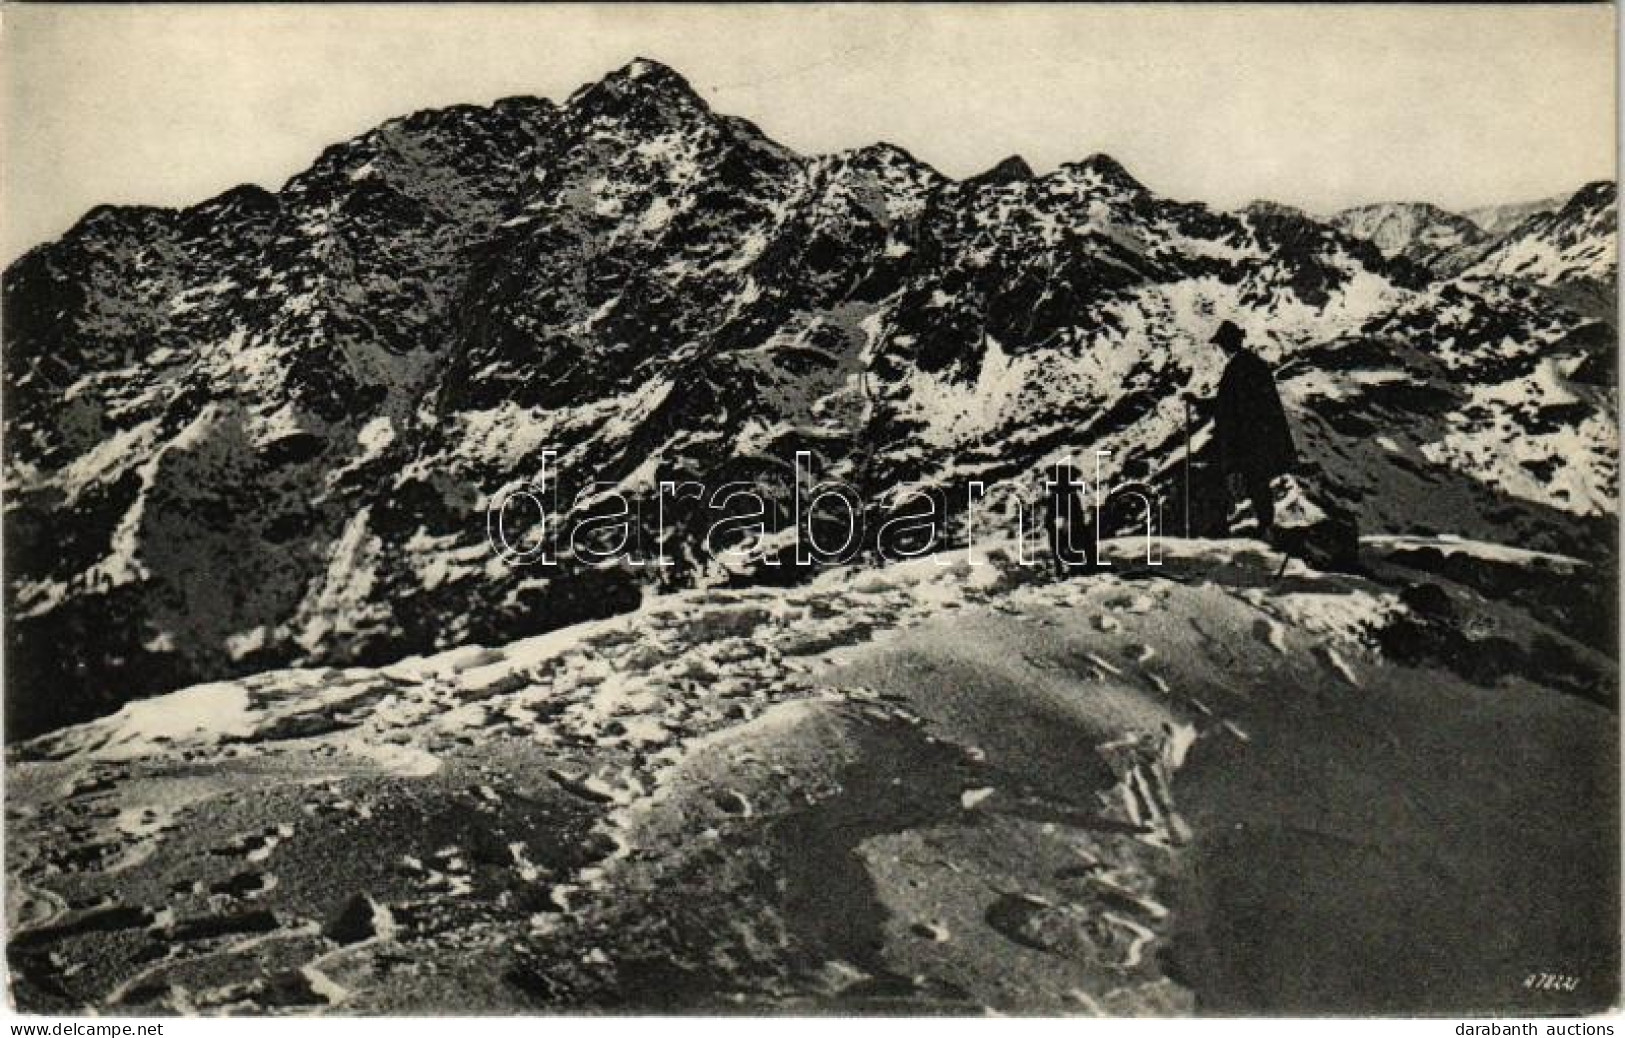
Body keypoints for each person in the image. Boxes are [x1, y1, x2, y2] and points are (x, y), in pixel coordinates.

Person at [1195, 320, 1296, 540]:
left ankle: (1254, 527)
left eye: (1223, 343)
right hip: (1261, 436)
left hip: (1246, 439)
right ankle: (1264, 525)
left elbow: (1227, 405)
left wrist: (1200, 405)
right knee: (1256, 480)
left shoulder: (1237, 369)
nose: (1222, 348)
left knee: (1247, 479)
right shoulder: (1254, 364)